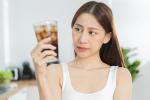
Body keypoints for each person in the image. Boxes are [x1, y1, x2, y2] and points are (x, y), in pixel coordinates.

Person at [31, 1, 132, 100]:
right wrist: (40, 76)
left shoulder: (120, 76)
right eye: (78, 29)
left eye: (92, 32)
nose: (82, 39)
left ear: (107, 37)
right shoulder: (55, 72)